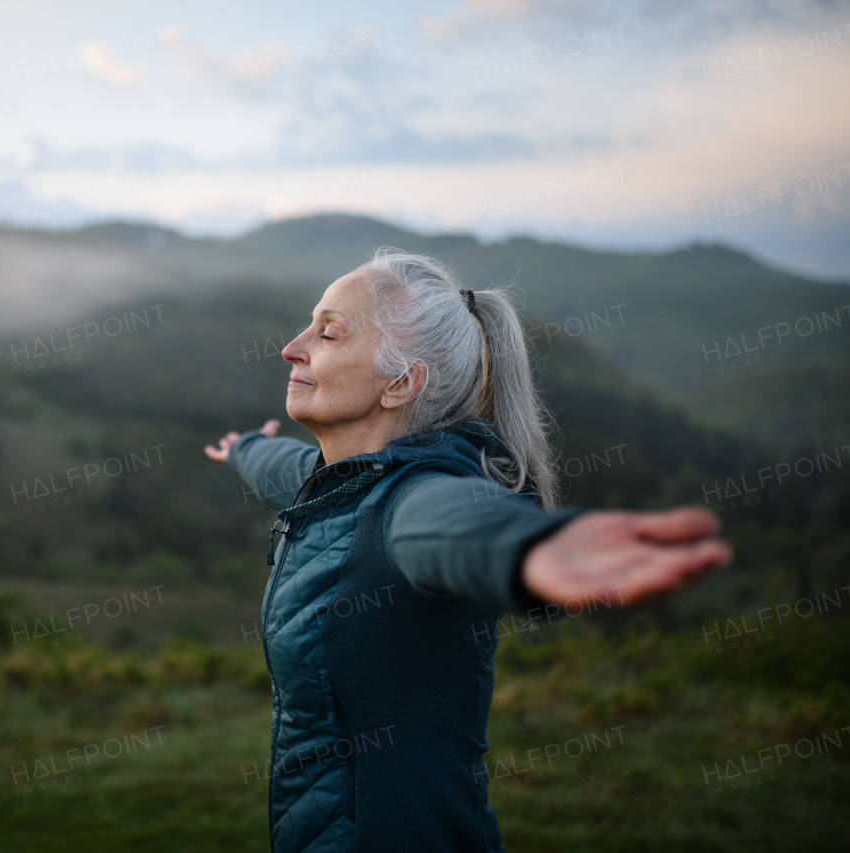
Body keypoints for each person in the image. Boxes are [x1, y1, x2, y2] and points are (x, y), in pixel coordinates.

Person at [203, 250, 732, 853]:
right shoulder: (343, 482)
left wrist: (528, 548)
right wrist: (243, 449)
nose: (292, 348)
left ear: (400, 383)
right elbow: (288, 470)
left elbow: (452, 525)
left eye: (327, 332)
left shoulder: (409, 500)